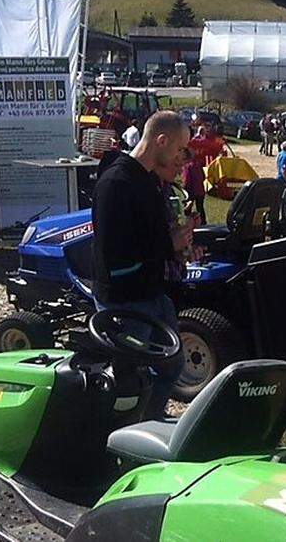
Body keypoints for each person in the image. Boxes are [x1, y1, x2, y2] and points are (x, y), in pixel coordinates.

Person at [92, 111, 195, 420]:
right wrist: (169, 245)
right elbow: (116, 255)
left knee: (173, 363)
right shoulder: (116, 182)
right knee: (132, 375)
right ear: (161, 141)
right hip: (125, 300)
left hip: (151, 292)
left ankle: (148, 421)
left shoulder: (148, 180)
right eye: (179, 150)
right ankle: (126, 430)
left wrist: (179, 244)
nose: (182, 159)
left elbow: (149, 236)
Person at [181, 148, 207, 224]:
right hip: (200, 191)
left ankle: (187, 220)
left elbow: (187, 179)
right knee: (200, 207)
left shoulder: (188, 166)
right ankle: (203, 221)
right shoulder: (198, 164)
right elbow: (203, 176)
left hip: (191, 190)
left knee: (188, 206)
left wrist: (185, 188)